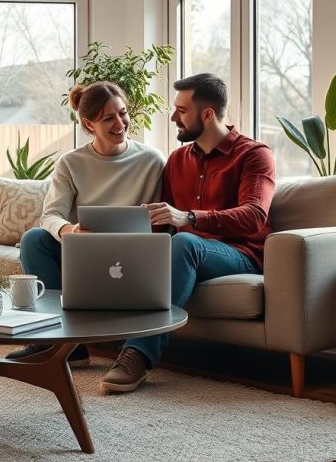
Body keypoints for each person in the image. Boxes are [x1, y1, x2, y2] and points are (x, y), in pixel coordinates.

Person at [99, 73, 276, 393]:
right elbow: (162, 224)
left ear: (207, 115)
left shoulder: (254, 154)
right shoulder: (177, 159)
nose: (172, 117)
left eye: (181, 110)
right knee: (171, 244)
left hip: (240, 254)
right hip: (187, 251)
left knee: (185, 242)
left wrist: (191, 217)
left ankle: (136, 355)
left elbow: (254, 216)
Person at [7, 81, 165, 367]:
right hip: (83, 255)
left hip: (133, 258)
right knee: (33, 239)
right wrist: (71, 231)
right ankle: (66, 346)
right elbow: (50, 216)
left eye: (123, 113)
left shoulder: (152, 160)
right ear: (88, 124)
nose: (121, 123)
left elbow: (166, 218)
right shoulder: (71, 162)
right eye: (108, 118)